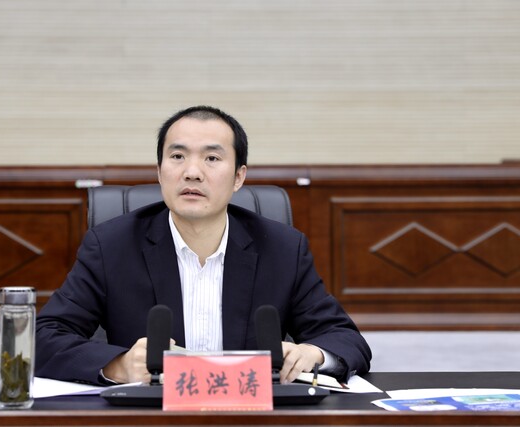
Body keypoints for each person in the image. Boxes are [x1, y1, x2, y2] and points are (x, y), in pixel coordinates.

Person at [35, 105, 371, 385]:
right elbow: (44, 337)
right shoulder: (111, 246)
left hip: (250, 418)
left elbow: (345, 339)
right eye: (177, 156)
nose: (192, 172)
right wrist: (119, 364)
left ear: (239, 177)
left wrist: (313, 354)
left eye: (211, 158)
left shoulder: (283, 249)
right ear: (159, 172)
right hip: (151, 417)